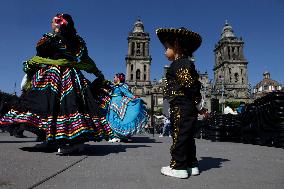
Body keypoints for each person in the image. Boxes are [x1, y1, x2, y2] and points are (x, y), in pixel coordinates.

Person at [0, 13, 113, 153]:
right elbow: (86, 61)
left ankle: (75, 142)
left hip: (58, 76)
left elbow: (41, 55)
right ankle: (51, 140)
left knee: (67, 106)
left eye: (54, 22)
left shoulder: (58, 39)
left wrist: (97, 73)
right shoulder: (71, 41)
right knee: (52, 106)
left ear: (60, 25)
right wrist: (97, 73)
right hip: (63, 76)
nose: (52, 24)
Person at [156, 27, 202, 178]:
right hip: (188, 105)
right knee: (188, 137)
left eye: (167, 48)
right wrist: (197, 101)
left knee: (179, 135)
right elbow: (193, 84)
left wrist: (194, 98)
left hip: (181, 105)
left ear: (176, 46)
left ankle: (178, 167)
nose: (165, 51)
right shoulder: (186, 63)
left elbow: (189, 83)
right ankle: (191, 164)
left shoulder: (179, 64)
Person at [106, 73, 148, 142]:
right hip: (113, 102)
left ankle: (116, 136)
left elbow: (127, 93)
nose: (113, 78)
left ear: (118, 78)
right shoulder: (115, 86)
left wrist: (134, 97)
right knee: (115, 118)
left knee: (113, 118)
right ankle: (120, 136)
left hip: (117, 103)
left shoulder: (121, 85)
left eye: (115, 77)